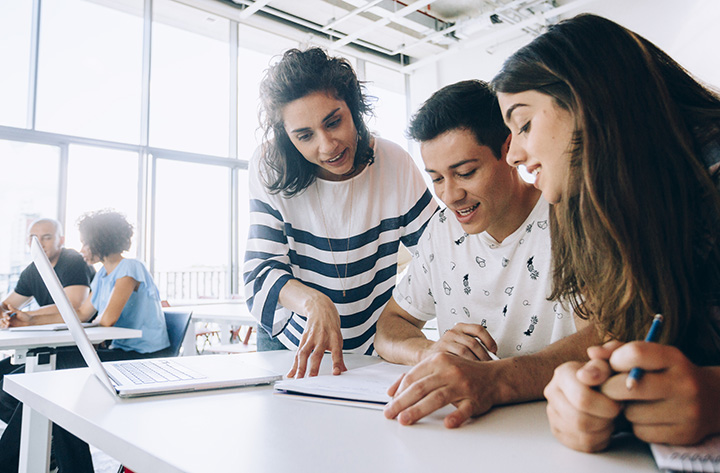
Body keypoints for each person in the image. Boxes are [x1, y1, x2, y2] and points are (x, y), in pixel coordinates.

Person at [492, 13, 720, 452]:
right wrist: (588, 389)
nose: (514, 154)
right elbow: (615, 337)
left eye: (523, 124)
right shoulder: (591, 206)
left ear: (586, 101)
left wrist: (712, 397)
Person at [375, 80, 593, 428]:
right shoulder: (440, 230)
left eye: (465, 173)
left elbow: (604, 335)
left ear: (509, 149)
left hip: (552, 427)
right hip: (465, 430)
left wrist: (494, 378)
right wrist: (430, 351)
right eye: (436, 178)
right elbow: (389, 327)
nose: (450, 194)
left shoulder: (568, 216)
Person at [244, 47, 438, 378]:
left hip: (371, 343)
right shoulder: (270, 167)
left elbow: (441, 255)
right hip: (292, 344)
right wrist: (312, 302)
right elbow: (260, 273)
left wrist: (404, 318)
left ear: (354, 108)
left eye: (334, 122)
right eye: (304, 136)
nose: (327, 145)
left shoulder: (394, 163)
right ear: (288, 139)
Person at [0, 210, 170, 473]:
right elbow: (81, 313)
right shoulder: (102, 276)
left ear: (100, 241)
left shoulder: (130, 268)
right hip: (121, 352)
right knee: (48, 383)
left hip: (143, 359)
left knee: (51, 375)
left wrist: (72, 321)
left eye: (85, 242)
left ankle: (9, 464)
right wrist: (28, 320)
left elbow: (108, 318)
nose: (80, 249)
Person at [0, 218, 95, 423]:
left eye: (47, 237)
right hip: (49, 345)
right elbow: (8, 306)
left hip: (80, 347)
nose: (40, 242)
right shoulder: (32, 270)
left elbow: (73, 305)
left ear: (60, 239)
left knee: (7, 390)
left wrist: (28, 315)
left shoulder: (72, 260)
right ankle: (40, 442)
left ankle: (43, 442)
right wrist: (6, 314)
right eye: (34, 238)